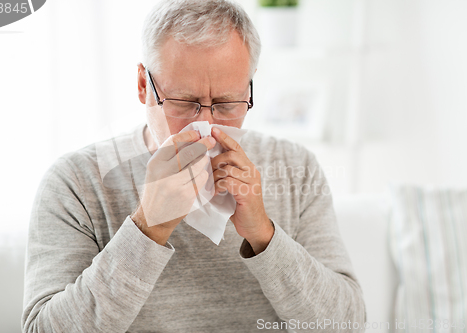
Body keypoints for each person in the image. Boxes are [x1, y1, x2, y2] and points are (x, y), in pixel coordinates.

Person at [22, 0, 366, 332]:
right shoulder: (76, 183)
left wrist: (263, 233)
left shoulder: (295, 167)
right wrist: (148, 227)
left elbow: (346, 325)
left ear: (250, 86)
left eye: (227, 103)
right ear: (144, 85)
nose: (205, 124)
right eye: (184, 102)